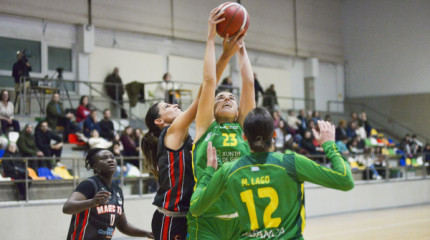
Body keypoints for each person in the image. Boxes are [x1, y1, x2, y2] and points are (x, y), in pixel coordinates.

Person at [141, 8, 243, 240]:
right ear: (159, 121)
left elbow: (205, 89)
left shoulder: (189, 136)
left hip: (191, 216)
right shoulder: (171, 133)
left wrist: (226, 56)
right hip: (171, 217)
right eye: (167, 107)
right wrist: (214, 42)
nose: (174, 106)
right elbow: (205, 90)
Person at [189, 108, 354, 240]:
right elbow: (345, 180)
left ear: (245, 137)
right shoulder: (291, 163)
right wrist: (330, 146)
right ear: (274, 135)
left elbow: (196, 208)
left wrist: (209, 171)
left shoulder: (229, 170)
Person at [188, 7, 253, 240]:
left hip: (240, 220)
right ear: (212, 109)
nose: (226, 98)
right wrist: (210, 37)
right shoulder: (206, 127)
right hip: (206, 220)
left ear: (238, 112)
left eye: (231, 99)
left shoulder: (244, 128)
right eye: (220, 98)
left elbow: (248, 85)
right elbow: (209, 80)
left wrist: (242, 50)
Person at [63, 148, 153, 239]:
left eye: (112, 157)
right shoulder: (89, 184)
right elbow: (67, 208)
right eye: (104, 158)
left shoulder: (117, 190)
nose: (110, 160)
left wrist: (146, 233)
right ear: (94, 166)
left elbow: (123, 225)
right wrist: (92, 202)